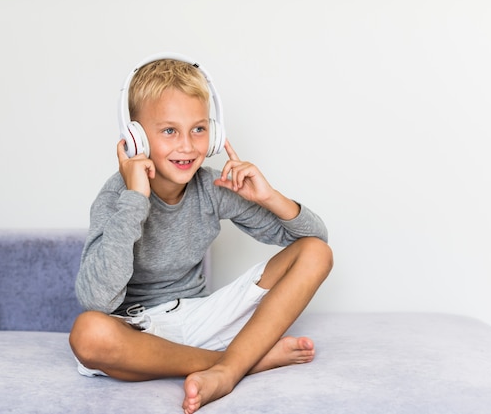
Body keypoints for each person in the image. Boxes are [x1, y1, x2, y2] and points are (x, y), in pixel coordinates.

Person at [69, 54, 333, 414]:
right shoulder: (118, 196)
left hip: (202, 317)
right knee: (89, 333)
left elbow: (313, 240)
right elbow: (96, 300)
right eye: (168, 131)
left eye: (198, 128)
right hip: (141, 333)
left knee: (317, 252)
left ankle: (227, 369)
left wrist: (270, 196)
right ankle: (239, 361)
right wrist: (135, 199)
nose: (188, 146)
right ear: (135, 139)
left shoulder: (211, 187)